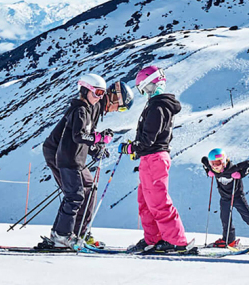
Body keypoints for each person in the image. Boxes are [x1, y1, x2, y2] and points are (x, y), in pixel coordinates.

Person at [43, 75, 134, 248]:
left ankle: (79, 232)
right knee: (75, 193)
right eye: (120, 108)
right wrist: (97, 141)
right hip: (58, 151)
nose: (116, 111)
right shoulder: (88, 106)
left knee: (89, 188)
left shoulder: (94, 106)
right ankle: (64, 234)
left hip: (73, 152)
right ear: (115, 97)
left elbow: (85, 136)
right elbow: (77, 135)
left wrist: (94, 149)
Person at [118, 65, 188, 253]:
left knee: (158, 201)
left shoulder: (159, 106)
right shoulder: (155, 105)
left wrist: (131, 147)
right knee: (145, 202)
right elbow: (149, 138)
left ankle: (176, 241)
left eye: (145, 88)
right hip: (149, 158)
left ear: (154, 83)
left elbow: (148, 138)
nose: (145, 93)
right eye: (142, 90)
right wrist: (137, 150)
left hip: (155, 157)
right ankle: (154, 238)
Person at [201, 148, 249, 247]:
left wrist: (241, 174)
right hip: (224, 198)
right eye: (212, 164)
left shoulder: (232, 169)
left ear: (223, 161)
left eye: (218, 163)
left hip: (237, 197)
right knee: (225, 219)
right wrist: (208, 171)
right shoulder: (213, 169)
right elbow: (203, 160)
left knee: (247, 215)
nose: (215, 166)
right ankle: (229, 240)